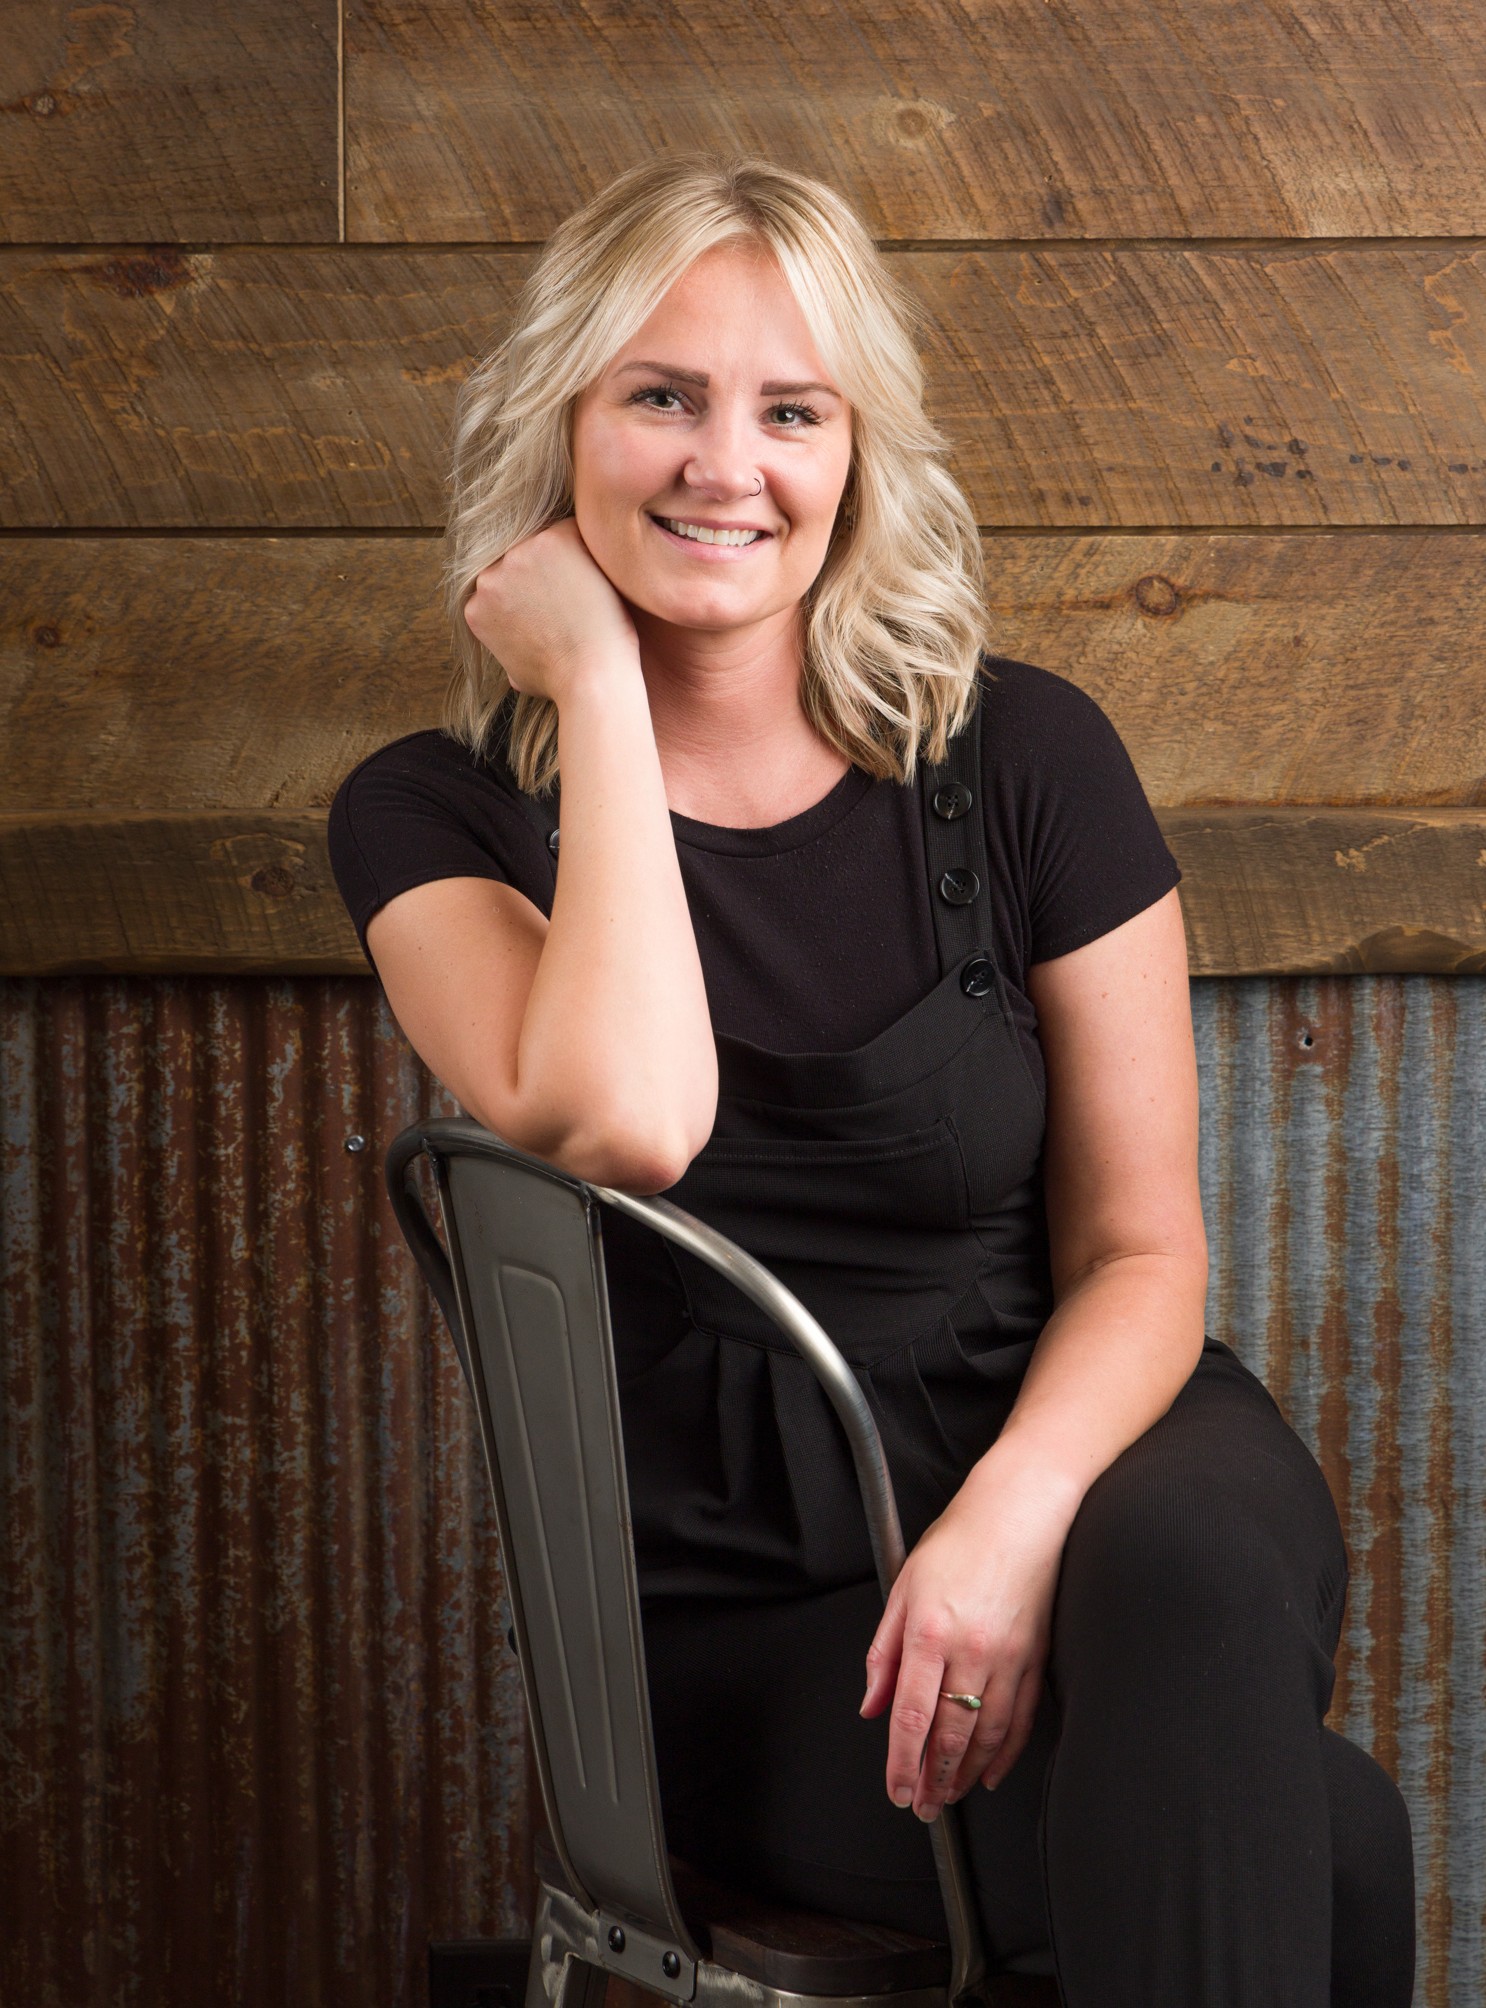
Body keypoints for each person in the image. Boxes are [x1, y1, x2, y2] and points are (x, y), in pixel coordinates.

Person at [328, 156, 1415, 2007]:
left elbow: (1142, 1254)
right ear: (560, 425)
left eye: (791, 412)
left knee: (1192, 1570)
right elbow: (630, 1121)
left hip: (1082, 1438)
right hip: (757, 1607)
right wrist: (600, 688)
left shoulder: (1027, 757)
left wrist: (1006, 1525)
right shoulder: (430, 818)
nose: (724, 465)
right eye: (659, 397)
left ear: (855, 455)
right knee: (1329, 1835)